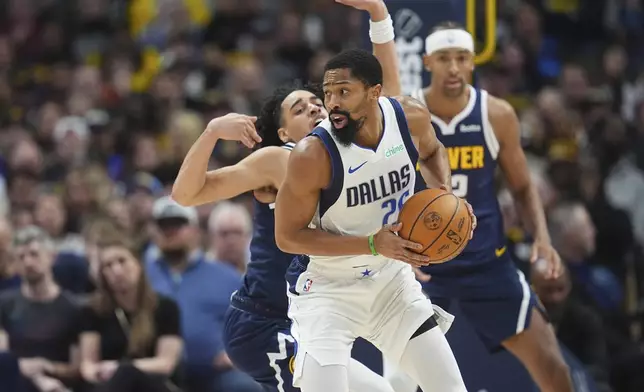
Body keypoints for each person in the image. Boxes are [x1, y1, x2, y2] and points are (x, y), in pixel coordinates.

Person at [172, 1, 404, 391]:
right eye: (300, 109)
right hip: (265, 321)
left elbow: (389, 101)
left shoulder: (346, 152)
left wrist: (379, 16)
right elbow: (186, 194)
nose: (314, 109)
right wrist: (211, 131)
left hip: (317, 316)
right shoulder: (279, 160)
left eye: (317, 103)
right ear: (283, 133)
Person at [385, 22, 573, 392]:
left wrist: (544, 239)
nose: (453, 68)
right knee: (402, 383)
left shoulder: (495, 114)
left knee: (554, 369)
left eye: (461, 58)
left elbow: (521, 186)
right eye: (443, 59)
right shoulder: (406, 114)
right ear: (427, 62)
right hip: (422, 267)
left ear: (473, 62)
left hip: (485, 261)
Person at [274, 48, 472, 392]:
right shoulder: (313, 154)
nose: (332, 102)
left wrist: (446, 196)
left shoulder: (410, 118)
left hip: (391, 285)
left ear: (375, 92)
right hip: (327, 293)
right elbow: (287, 237)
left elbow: (432, 150)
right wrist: (370, 243)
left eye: (344, 92)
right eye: (328, 92)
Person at [78, 232, 183, 392]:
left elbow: (166, 363)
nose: (117, 271)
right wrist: (96, 372)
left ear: (138, 264)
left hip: (154, 385)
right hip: (111, 385)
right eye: (108, 265)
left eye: (122, 261)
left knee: (127, 373)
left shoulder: (165, 307)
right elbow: (88, 364)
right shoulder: (93, 311)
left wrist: (119, 368)